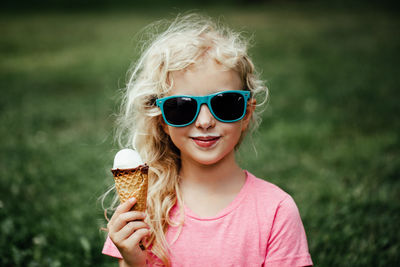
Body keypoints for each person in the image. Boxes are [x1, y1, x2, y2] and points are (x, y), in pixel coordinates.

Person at [102, 14, 313, 267]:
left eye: (224, 104)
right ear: (163, 122)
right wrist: (133, 261)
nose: (204, 121)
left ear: (246, 112)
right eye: (181, 107)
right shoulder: (145, 210)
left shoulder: (276, 211)